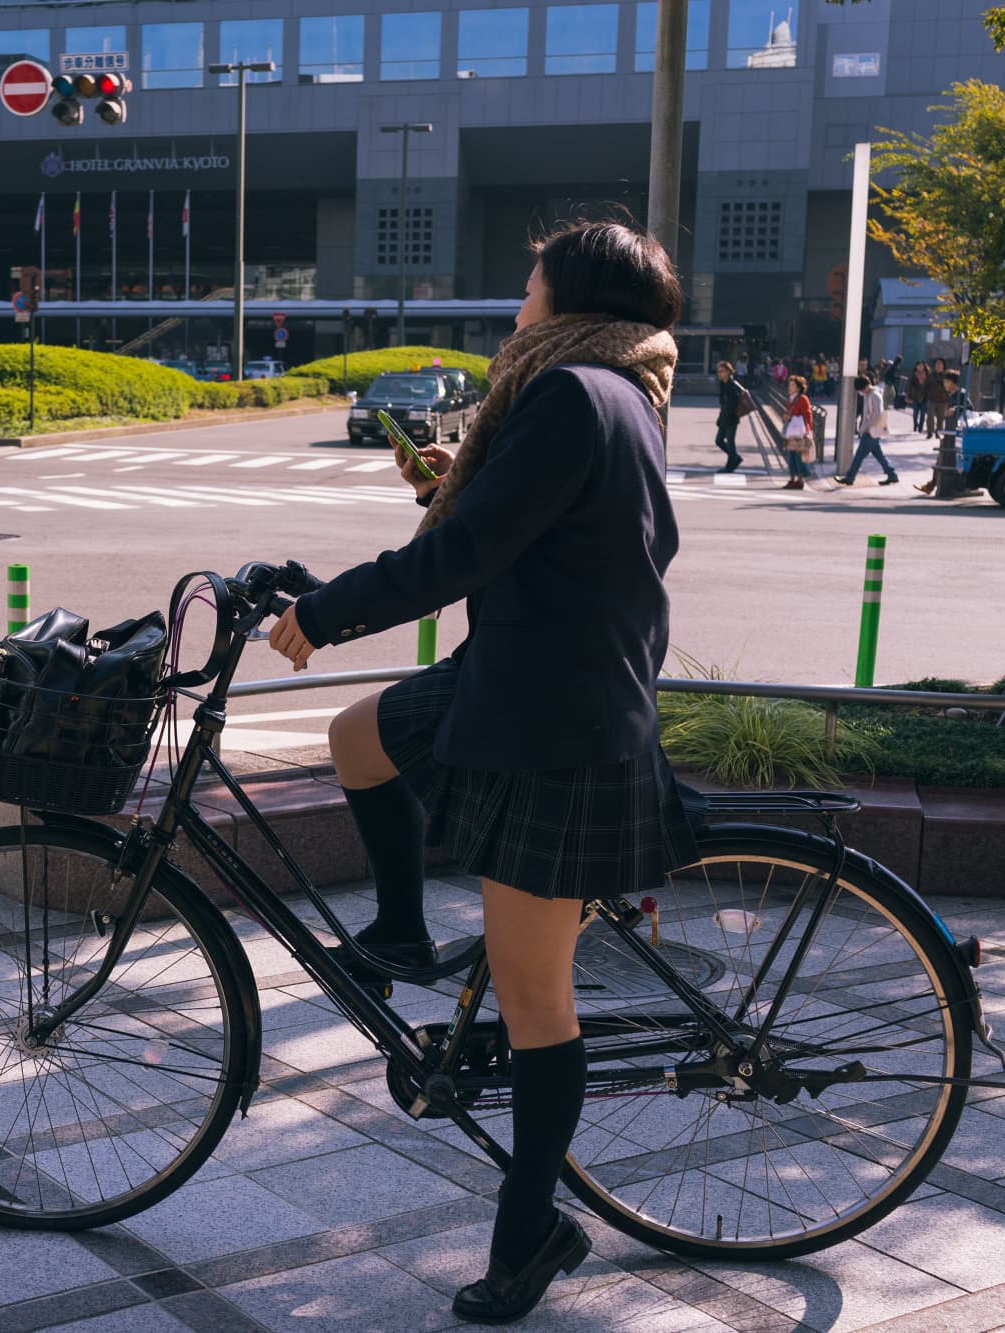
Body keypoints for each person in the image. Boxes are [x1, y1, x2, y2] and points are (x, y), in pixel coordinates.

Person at [267, 219, 698, 1326]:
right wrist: (461, 481)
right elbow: (529, 526)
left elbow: (466, 556)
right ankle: (399, 931)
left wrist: (323, 612)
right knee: (358, 738)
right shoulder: (609, 390)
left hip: (558, 723)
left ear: (567, 299)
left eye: (527, 281)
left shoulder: (570, 395)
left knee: (533, 998)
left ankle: (528, 1235)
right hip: (520, 673)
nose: (517, 299)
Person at [837, 372, 897, 486]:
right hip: (872, 430)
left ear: (864, 387)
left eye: (861, 390)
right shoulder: (870, 394)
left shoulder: (874, 395)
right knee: (879, 455)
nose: (861, 392)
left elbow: (877, 414)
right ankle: (892, 474)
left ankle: (850, 478)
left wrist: (865, 427)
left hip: (871, 431)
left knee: (859, 455)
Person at [782, 374, 815, 489]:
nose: (789, 387)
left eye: (792, 385)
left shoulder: (803, 399)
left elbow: (808, 415)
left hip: (800, 432)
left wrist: (808, 430)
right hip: (791, 431)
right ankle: (792, 478)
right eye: (789, 385)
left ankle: (799, 480)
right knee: (791, 455)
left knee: (798, 455)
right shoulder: (790, 399)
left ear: (798, 387)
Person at [713, 359, 745, 471]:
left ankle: (730, 465)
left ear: (728, 372)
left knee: (730, 442)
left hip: (731, 418)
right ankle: (735, 458)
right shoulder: (723, 383)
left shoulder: (732, 385)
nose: (719, 374)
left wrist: (727, 417)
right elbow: (723, 403)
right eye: (718, 371)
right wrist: (720, 417)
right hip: (724, 417)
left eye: (721, 371)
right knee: (719, 441)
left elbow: (733, 403)